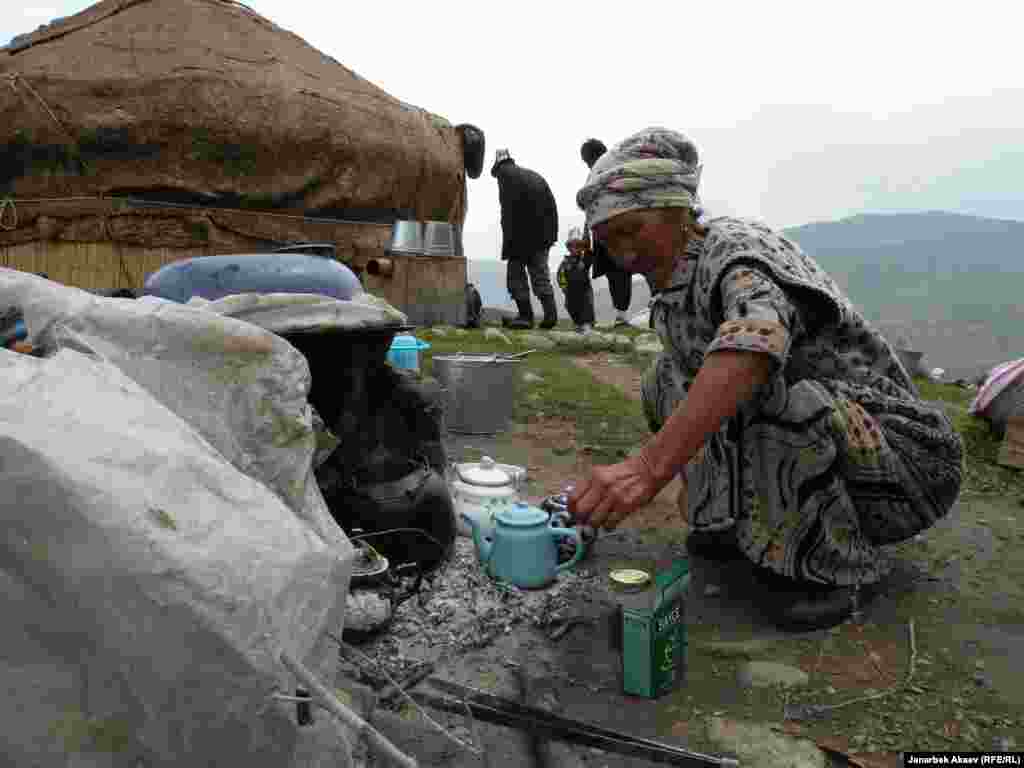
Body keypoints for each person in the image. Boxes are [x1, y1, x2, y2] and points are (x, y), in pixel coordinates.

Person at [568, 127, 963, 631]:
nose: (623, 255)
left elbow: (756, 342)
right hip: (841, 434)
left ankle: (833, 567)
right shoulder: (677, 281)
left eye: (633, 231)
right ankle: (736, 527)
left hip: (902, 460)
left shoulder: (736, 254)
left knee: (775, 393)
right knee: (666, 380)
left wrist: (649, 467)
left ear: (676, 211)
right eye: (608, 241)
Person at [491, 149, 559, 330]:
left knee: (515, 276)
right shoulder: (534, 176)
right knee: (540, 275)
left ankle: (525, 316)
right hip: (543, 235)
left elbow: (509, 213)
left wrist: (509, 246)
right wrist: (550, 237)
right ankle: (550, 316)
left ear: (498, 168)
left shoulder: (506, 177)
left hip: (520, 237)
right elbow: (552, 207)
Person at [580, 139, 633, 327]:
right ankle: (621, 314)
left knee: (619, 272)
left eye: (587, 160)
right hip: (608, 230)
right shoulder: (597, 174)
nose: (587, 164)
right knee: (616, 272)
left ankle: (622, 314)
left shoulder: (611, 172)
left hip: (614, 229)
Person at [557, 227, 595, 333]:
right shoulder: (565, 263)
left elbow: (588, 251)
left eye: (578, 246)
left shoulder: (584, 260)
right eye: (572, 246)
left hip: (584, 292)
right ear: (568, 247)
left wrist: (586, 231)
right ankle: (578, 324)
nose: (575, 248)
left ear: (582, 247)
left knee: (586, 307)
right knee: (571, 306)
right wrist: (565, 288)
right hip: (570, 292)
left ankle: (587, 325)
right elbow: (560, 276)